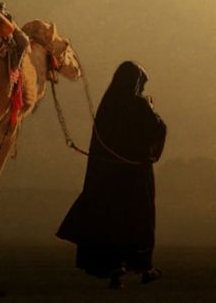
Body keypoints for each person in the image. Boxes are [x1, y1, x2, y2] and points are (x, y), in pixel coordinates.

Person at [56, 61, 167, 289]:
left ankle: (115, 271)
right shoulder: (139, 105)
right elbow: (155, 132)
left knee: (111, 222)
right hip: (135, 176)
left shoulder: (108, 106)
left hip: (108, 178)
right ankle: (145, 268)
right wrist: (153, 112)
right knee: (139, 220)